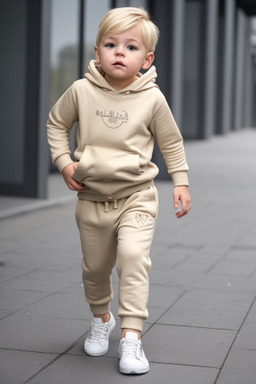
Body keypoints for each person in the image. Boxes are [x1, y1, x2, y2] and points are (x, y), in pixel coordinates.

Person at [47, 7, 191, 375]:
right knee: (95, 269)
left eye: (131, 46)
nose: (120, 52)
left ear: (147, 58)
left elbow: (172, 143)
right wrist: (64, 162)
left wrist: (181, 182)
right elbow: (56, 123)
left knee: (132, 258)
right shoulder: (80, 90)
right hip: (92, 198)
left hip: (137, 195)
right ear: (97, 52)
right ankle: (102, 320)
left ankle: (131, 338)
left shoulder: (152, 98)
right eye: (111, 44)